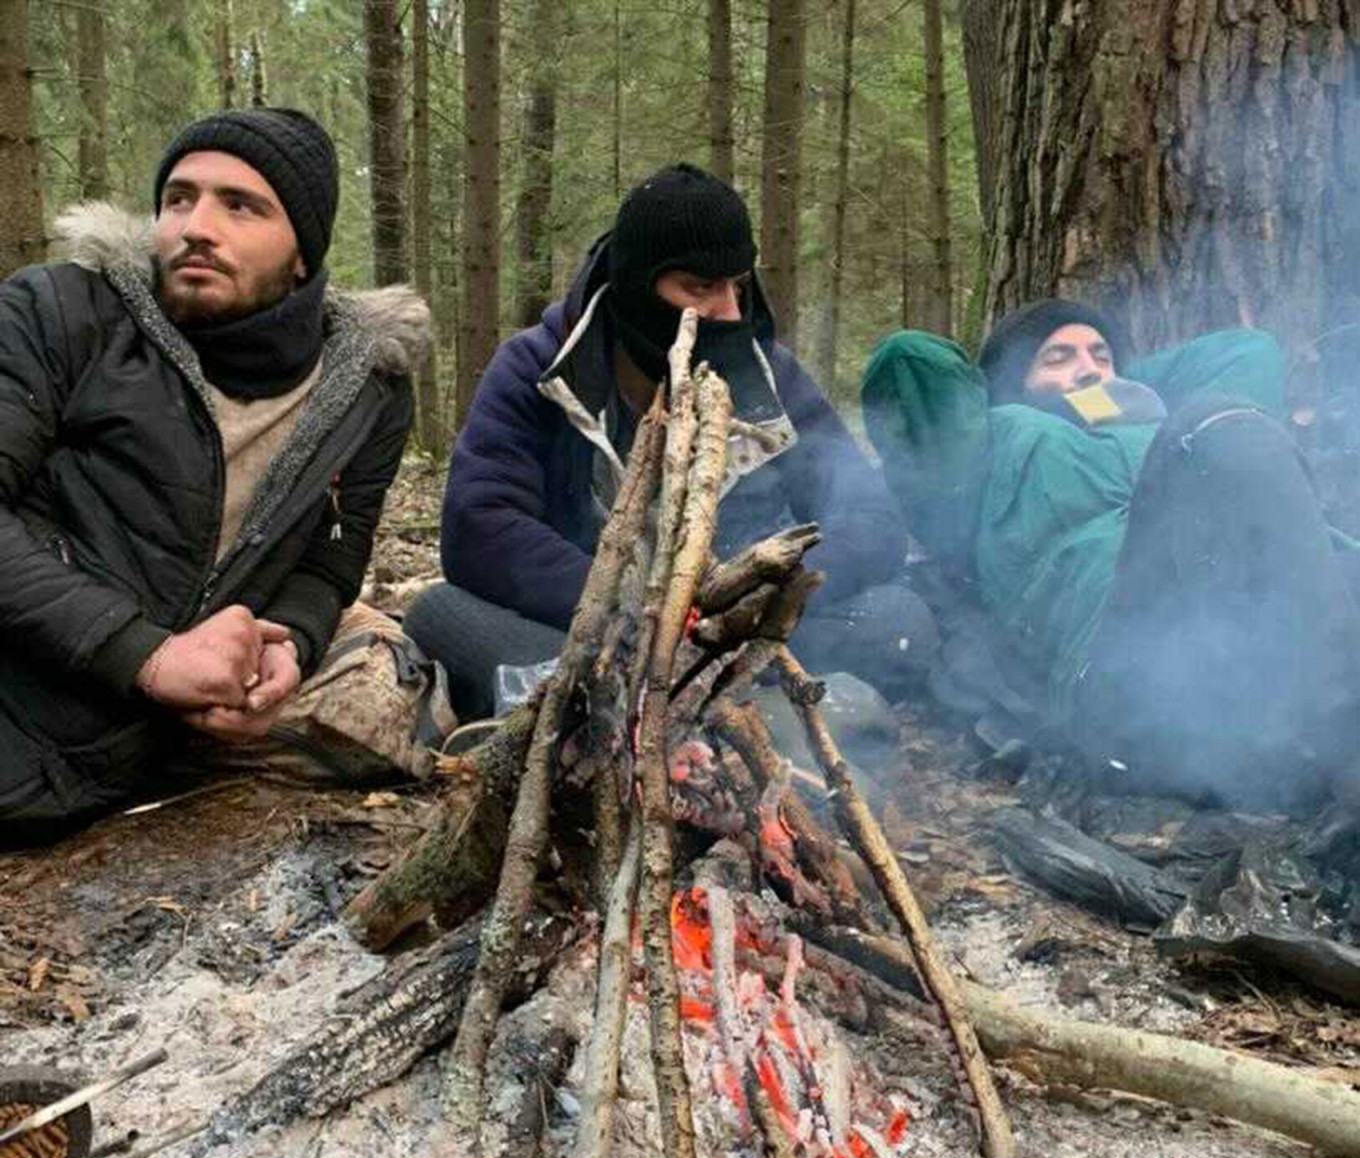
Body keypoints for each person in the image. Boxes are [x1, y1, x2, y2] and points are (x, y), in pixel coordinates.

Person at [0, 107, 430, 842]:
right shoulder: (61, 313)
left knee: (404, 696)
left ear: (304, 252)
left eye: (241, 205)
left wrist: (289, 646)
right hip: (29, 697)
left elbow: (332, 554)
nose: (197, 225)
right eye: (179, 198)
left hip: (151, 743)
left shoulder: (367, 389)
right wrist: (149, 655)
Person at [407, 163, 935, 720]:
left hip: (735, 635)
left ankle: (622, 716)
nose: (729, 311)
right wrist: (634, 604)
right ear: (638, 286)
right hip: (590, 633)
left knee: (899, 621)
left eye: (737, 284)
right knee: (438, 614)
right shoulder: (537, 367)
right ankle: (664, 713)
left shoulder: (767, 376)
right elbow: (480, 526)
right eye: (700, 287)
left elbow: (871, 519)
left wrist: (753, 594)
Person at [863, 298, 1360, 809]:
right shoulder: (981, 447)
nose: (1089, 367)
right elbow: (909, 360)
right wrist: (1037, 396)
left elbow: (1247, 350)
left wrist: (1115, 393)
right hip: (1131, 671)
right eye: (1056, 357)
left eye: (1102, 354)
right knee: (1220, 424)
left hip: (1270, 629)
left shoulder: (1156, 423)